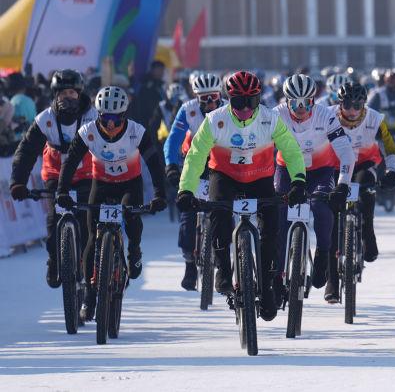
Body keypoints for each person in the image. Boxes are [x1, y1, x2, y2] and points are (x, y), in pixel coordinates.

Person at [175, 71, 306, 322]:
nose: (245, 108)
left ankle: (268, 283)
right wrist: (186, 190)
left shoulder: (270, 119)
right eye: (238, 102)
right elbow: (195, 156)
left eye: (251, 102)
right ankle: (223, 271)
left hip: (260, 178)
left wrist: (298, 181)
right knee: (219, 217)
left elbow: (291, 150)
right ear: (228, 100)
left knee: (271, 228)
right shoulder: (215, 120)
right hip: (225, 176)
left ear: (259, 99)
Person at [57, 86, 167, 320]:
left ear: (124, 115)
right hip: (101, 184)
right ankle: (89, 296)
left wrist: (160, 194)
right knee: (91, 238)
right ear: (98, 114)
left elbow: (154, 163)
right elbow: (70, 163)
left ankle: (134, 250)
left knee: (131, 216)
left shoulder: (137, 132)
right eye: (105, 117)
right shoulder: (87, 132)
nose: (110, 124)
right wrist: (62, 191)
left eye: (116, 118)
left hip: (129, 185)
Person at [8, 70, 96, 289]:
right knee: (54, 219)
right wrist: (18, 182)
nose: (68, 97)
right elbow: (26, 151)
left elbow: (108, 147)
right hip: (55, 175)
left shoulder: (93, 116)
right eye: (62, 93)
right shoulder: (45, 119)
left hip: (86, 174)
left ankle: (88, 266)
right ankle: (54, 260)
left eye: (72, 93)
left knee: (86, 221)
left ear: (79, 94)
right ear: (55, 95)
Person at [273, 75, 357, 301]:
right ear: (287, 101)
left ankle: (322, 255)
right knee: (280, 217)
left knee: (321, 207)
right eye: (295, 104)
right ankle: (277, 276)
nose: (301, 109)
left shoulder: (326, 115)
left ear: (314, 100)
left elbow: (346, 152)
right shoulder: (275, 115)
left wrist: (343, 184)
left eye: (307, 103)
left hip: (320, 170)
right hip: (287, 171)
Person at [163, 72, 226, 291]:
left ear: (220, 96)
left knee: (224, 210)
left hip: (221, 163)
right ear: (196, 97)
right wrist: (171, 165)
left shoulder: (229, 110)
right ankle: (189, 261)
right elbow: (173, 140)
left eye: (213, 98)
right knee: (188, 211)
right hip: (194, 161)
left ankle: (224, 257)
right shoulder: (187, 110)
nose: (209, 103)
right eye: (204, 99)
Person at [332, 81, 395, 271]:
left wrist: (393, 172)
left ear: (364, 104)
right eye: (347, 105)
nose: (352, 111)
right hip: (336, 166)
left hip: (364, 164)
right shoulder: (328, 117)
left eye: (357, 105)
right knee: (332, 209)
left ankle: (367, 233)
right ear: (339, 104)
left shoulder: (375, 119)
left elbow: (391, 149)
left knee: (366, 192)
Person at [130, 60, 167, 135]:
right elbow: (143, 103)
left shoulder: (160, 85)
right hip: (146, 120)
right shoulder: (146, 84)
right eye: (159, 69)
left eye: (162, 70)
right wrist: (149, 117)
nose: (161, 72)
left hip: (158, 119)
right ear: (153, 70)